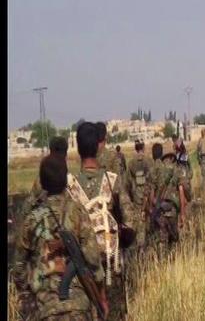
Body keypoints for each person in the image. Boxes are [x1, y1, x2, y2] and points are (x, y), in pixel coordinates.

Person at [13, 154, 108, 320]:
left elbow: (19, 269)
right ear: (65, 180)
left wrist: (29, 295)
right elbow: (93, 260)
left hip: (44, 308)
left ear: (42, 183)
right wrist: (101, 295)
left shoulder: (31, 219)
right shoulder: (78, 212)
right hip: (78, 307)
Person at [66, 122, 135, 321]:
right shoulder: (112, 181)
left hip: (80, 276)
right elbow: (132, 222)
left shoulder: (70, 187)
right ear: (98, 145)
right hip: (110, 270)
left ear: (78, 148)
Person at [148, 145, 185, 247]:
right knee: (174, 239)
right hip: (172, 209)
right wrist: (182, 214)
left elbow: (151, 193)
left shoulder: (157, 170)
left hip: (160, 208)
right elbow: (181, 193)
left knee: (162, 239)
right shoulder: (177, 170)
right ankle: (173, 259)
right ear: (173, 158)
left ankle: (163, 260)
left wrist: (153, 207)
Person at [124, 140, 154, 251]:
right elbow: (152, 180)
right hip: (149, 195)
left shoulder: (131, 163)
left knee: (140, 221)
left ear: (135, 148)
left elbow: (127, 182)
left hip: (136, 195)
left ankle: (140, 246)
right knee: (149, 219)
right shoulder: (149, 161)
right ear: (143, 148)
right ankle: (147, 244)